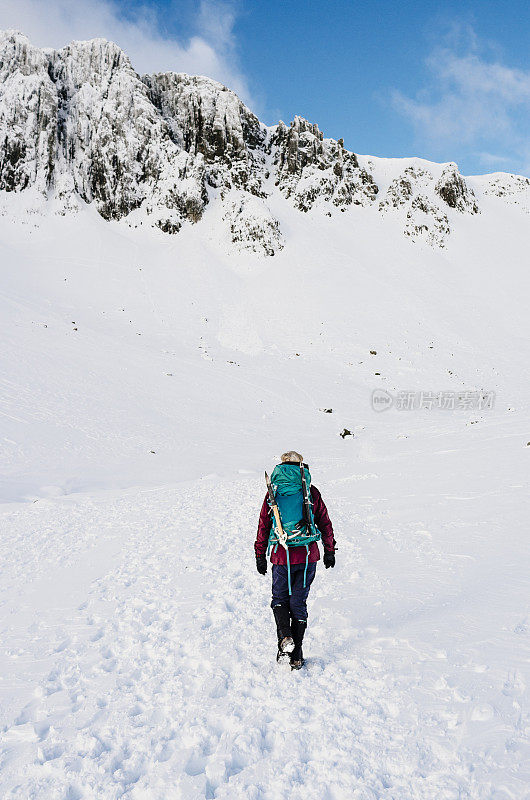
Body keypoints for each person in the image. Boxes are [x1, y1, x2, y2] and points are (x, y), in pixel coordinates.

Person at [254, 451, 336, 669]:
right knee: (298, 602)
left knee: (280, 599)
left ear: (281, 466)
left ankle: (284, 640)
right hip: (308, 555)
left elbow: (264, 525)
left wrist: (259, 554)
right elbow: (325, 522)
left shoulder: (273, 493)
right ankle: (297, 654)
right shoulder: (311, 491)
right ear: (302, 467)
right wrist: (330, 550)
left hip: (282, 556)